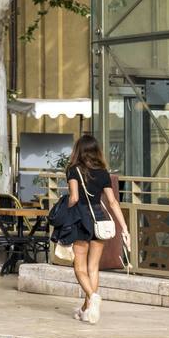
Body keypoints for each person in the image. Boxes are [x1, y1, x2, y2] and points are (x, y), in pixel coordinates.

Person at [53, 133, 128, 324]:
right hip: (99, 221)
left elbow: (74, 198)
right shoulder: (103, 173)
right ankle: (86, 310)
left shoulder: (73, 170)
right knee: (93, 268)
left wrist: (65, 210)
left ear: (78, 150)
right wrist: (125, 229)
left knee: (79, 268)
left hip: (81, 222)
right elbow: (112, 201)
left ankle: (92, 296)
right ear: (96, 151)